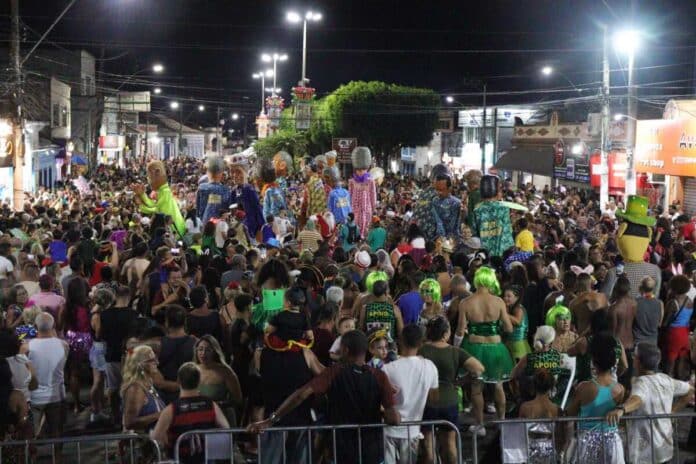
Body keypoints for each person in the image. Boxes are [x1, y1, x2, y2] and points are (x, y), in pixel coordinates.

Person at [248, 330, 399, 464]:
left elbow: (302, 394)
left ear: (345, 350)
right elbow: (394, 419)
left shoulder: (335, 372)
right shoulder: (380, 376)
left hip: (340, 451)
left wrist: (271, 419)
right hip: (372, 451)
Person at [606, 342, 695, 464]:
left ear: (638, 362)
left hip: (645, 455)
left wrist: (622, 409)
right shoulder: (665, 379)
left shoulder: (641, 383)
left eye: (634, 356)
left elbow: (637, 399)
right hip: (664, 450)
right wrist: (672, 412)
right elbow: (690, 390)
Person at [457, 266, 513, 433]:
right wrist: (495, 330)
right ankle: (501, 421)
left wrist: (457, 346)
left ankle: (479, 424)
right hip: (496, 348)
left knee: (476, 388)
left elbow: (460, 330)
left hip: (474, 348)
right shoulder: (499, 302)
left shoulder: (466, 303)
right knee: (498, 386)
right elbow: (509, 328)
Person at [419, 317, 484, 459]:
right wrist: (461, 380)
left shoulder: (422, 351)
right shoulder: (455, 352)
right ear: (446, 333)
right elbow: (479, 369)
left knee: (428, 443)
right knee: (450, 443)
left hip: (427, 402)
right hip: (449, 402)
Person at [151, 362, 230, 462]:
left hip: (179, 460)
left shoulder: (171, 410)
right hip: (205, 460)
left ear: (178, 381)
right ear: (199, 381)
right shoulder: (211, 405)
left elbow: (155, 438)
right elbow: (226, 429)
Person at [383, 324, 439, 464]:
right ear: (421, 343)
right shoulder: (430, 367)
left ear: (400, 341)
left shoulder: (387, 369)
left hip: (388, 430)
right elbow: (434, 399)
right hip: (413, 430)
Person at [566, 333, 625, 464]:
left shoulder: (584, 387)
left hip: (588, 441)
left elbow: (570, 413)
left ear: (594, 363)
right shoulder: (620, 389)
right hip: (612, 441)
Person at [100, 285, 138, 422]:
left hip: (111, 355)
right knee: (129, 387)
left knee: (113, 388)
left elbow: (102, 335)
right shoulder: (134, 314)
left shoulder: (104, 315)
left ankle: (115, 415)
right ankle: (127, 417)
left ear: (115, 296)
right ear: (128, 297)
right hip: (130, 356)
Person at [28, 313, 68, 440]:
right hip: (56, 395)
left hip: (34, 396)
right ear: (53, 326)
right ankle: (57, 458)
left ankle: (32, 458)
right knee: (57, 432)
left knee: (31, 435)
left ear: (35, 327)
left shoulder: (26, 347)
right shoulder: (63, 345)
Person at [193, 335, 242, 425]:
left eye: (208, 350)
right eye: (200, 349)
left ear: (214, 352)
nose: (203, 353)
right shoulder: (192, 370)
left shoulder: (225, 372)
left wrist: (216, 404)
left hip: (222, 419)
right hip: (199, 419)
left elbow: (238, 400)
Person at [62, 277, 92, 413]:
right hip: (87, 339)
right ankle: (97, 403)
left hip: (71, 338)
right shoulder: (88, 305)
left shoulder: (66, 307)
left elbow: (59, 325)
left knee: (74, 373)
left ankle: (76, 404)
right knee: (96, 372)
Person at [518, 369, 560, 464]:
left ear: (534, 386)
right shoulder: (556, 409)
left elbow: (520, 432)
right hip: (550, 452)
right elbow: (560, 436)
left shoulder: (525, 407)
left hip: (530, 452)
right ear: (551, 386)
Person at [121, 345, 165, 433]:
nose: (157, 362)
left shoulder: (147, 383)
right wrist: (161, 415)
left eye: (156, 358)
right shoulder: (135, 389)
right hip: (144, 442)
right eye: (152, 360)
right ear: (140, 364)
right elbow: (129, 423)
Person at [158, 305, 197, 403]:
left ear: (167, 322)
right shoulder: (196, 343)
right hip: (188, 393)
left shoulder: (158, 344)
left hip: (164, 396)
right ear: (184, 321)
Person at [661, 274, 693, 379]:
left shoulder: (673, 303)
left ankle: (668, 381)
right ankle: (680, 381)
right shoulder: (690, 301)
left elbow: (665, 322)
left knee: (670, 361)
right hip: (685, 333)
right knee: (681, 360)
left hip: (674, 334)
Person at [607, 275, 636, 386]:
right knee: (628, 381)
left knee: (616, 380)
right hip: (631, 343)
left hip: (619, 346)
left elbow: (612, 331)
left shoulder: (614, 308)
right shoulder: (634, 304)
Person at [348, 147, 377, 238]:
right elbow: (349, 195)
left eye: (362, 170)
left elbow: (373, 195)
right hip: (354, 211)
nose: (360, 172)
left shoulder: (370, 181)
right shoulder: (351, 181)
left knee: (365, 232)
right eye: (358, 170)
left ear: (366, 169)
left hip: (366, 210)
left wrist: (373, 208)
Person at [196, 155, 232, 224]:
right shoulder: (226, 190)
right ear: (221, 173)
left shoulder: (202, 188)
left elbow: (198, 211)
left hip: (205, 225)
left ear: (208, 172)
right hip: (221, 227)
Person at [503, 285, 531, 362]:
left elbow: (518, 322)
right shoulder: (510, 308)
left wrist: (503, 313)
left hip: (518, 345)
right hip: (511, 343)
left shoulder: (518, 308)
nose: (505, 298)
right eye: (505, 296)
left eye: (509, 296)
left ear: (516, 298)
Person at [633, 276, 663, 346]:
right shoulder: (660, 303)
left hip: (637, 341)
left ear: (641, 287)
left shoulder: (635, 302)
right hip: (653, 341)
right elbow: (659, 324)